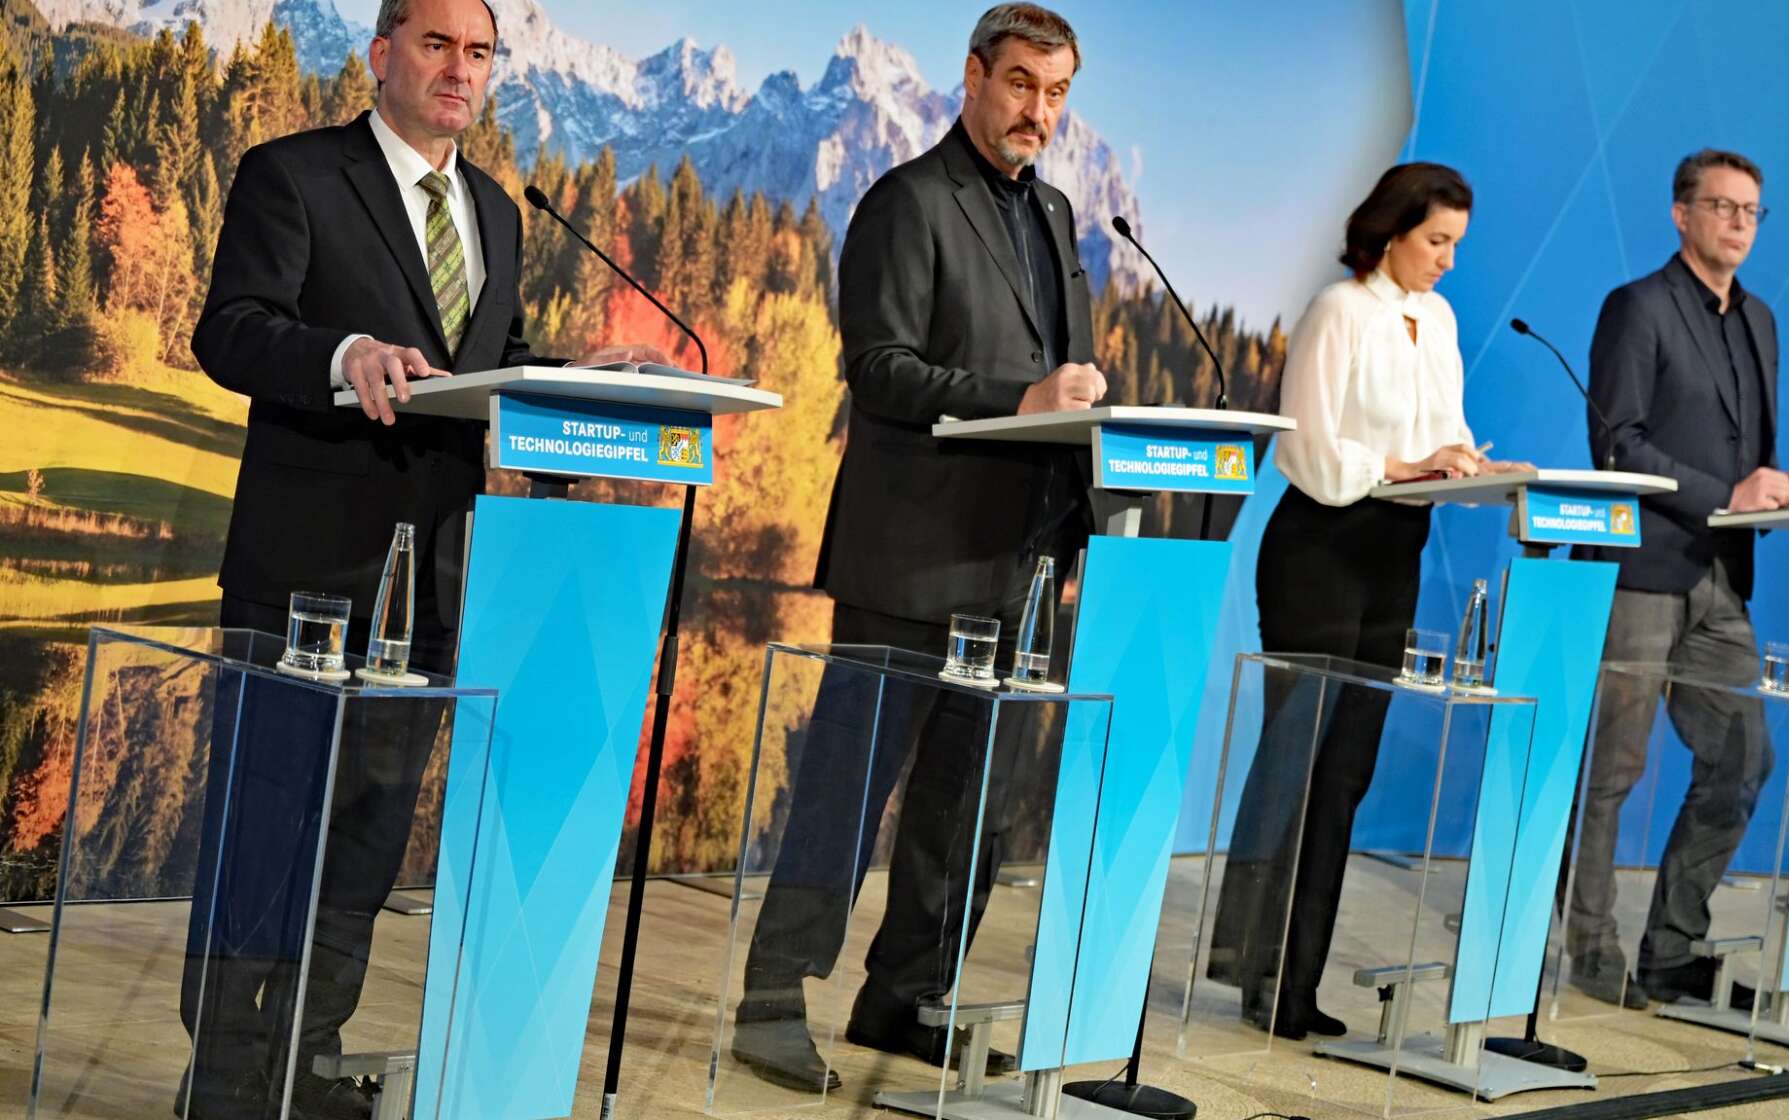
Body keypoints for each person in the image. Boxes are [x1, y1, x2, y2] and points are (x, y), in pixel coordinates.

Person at [184, 0, 662, 1114]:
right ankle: (220, 1081)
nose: (461, 68)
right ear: (382, 54)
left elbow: (482, 365)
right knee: (261, 840)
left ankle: (307, 1060)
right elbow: (231, 329)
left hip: (436, 586)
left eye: (481, 52)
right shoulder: (294, 174)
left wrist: (580, 381)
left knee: (364, 844)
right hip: (302, 574)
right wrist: (345, 354)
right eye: (438, 43)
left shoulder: (496, 212)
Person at [728, 2, 1106, 1092]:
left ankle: (905, 994)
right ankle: (769, 999)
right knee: (847, 794)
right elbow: (881, 369)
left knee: (966, 807)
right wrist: (1019, 396)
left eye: (1060, 92)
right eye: (1024, 83)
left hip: (1019, 561)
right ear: (975, 77)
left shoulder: (1058, 215)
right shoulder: (906, 201)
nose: (1041, 110)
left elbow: (1060, 372)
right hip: (913, 557)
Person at [1210, 163, 1525, 1039]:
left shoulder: (1441, 318)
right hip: (1320, 549)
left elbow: (1444, 433)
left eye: (1457, 244)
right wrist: (1408, 466)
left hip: (1395, 552)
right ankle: (1257, 970)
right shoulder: (1337, 310)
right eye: (1437, 242)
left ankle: (1300, 981)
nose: (1449, 261)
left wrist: (1467, 462)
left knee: (1346, 776)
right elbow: (1307, 449)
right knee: (1297, 763)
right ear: (1389, 230)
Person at [1564, 149, 1789, 1009]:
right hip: (1641, 570)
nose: (1739, 222)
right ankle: (1588, 948)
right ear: (1681, 214)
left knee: (1744, 758)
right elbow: (1617, 444)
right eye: (1722, 206)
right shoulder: (1638, 308)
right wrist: (1724, 494)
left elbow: (1744, 446)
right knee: (1611, 771)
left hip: (1721, 575)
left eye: (1752, 210)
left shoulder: (1762, 321)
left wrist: (1772, 485)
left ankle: (1672, 946)